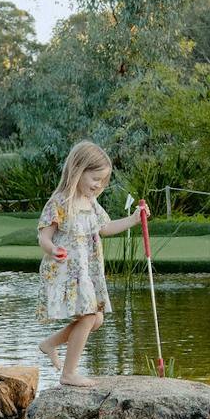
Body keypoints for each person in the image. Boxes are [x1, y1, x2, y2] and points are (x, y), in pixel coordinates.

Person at [35, 141, 145, 386]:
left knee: (96, 319)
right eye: (95, 178)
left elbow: (104, 228)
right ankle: (69, 373)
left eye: (103, 182)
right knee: (88, 318)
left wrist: (133, 219)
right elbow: (44, 236)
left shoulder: (91, 203)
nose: (99, 185)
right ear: (78, 170)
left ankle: (50, 343)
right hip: (67, 270)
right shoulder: (60, 202)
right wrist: (53, 249)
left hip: (87, 271)